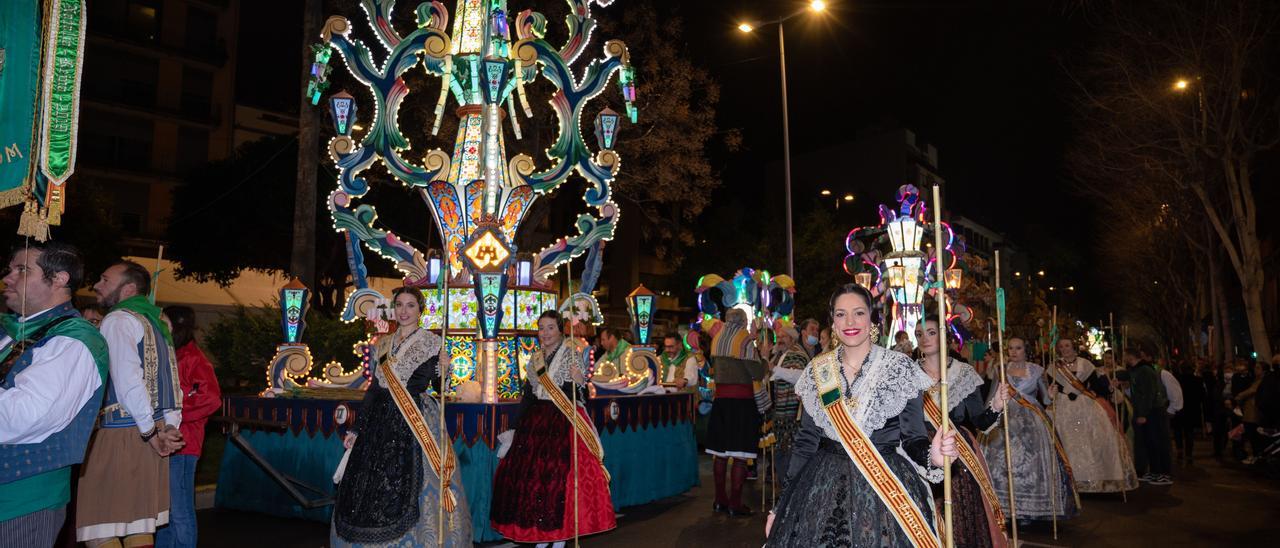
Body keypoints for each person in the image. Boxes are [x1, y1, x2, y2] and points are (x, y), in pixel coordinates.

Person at [765, 284, 957, 547]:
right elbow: (806, 443)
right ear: (832, 321)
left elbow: (913, 439)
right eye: (841, 314)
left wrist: (932, 458)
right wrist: (781, 506)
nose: (850, 322)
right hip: (822, 488)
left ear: (871, 317)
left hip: (886, 492)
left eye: (858, 313)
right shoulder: (818, 371)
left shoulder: (899, 368)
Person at [333, 287, 470, 546]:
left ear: (420, 311)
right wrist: (356, 428)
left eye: (410, 306)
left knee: (413, 484)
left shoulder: (432, 343)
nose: (404, 311)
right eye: (400, 305)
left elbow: (441, 389)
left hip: (414, 418)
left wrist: (444, 368)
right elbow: (375, 388)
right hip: (379, 419)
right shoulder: (383, 344)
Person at [0, 243, 110, 546]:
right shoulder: (12, 330)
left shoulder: (74, 340)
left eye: (22, 270)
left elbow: (24, 416)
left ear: (59, 279)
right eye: (9, 269)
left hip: (19, 500)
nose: (7, 278)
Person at [77, 261, 185, 547]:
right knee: (138, 524)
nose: (97, 285)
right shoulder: (158, 322)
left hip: (123, 432)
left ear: (128, 288)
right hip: (153, 431)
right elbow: (174, 382)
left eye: (104, 279)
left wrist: (151, 433)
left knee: (99, 527)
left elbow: (127, 381)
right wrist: (169, 429)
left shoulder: (118, 319)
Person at [491, 311, 614, 544]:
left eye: (550, 328)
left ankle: (559, 535)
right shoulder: (535, 358)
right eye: (541, 328)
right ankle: (540, 532)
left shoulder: (571, 356)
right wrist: (516, 426)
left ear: (560, 330)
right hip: (535, 421)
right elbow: (528, 395)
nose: (545, 333)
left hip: (561, 420)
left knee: (556, 478)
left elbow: (578, 396)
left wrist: (579, 381)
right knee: (530, 481)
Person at [915, 316, 1010, 548]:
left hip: (956, 451)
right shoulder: (907, 373)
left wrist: (996, 405)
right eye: (919, 334)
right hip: (917, 450)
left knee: (959, 511)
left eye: (931, 332)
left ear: (944, 336)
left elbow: (980, 421)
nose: (924, 338)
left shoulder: (962, 373)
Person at [980, 337, 1078, 525]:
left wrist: (1050, 395)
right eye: (1010, 349)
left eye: (1018, 348)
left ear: (1026, 349)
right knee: (1002, 462)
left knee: (1031, 462)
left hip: (1032, 422)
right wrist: (986, 422)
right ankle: (1003, 508)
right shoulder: (1001, 370)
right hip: (1004, 420)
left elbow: (1047, 402)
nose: (1014, 352)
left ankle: (1032, 508)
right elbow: (992, 397)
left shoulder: (1037, 371)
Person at [155, 306, 221, 548]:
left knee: (180, 509)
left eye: (164, 321)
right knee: (167, 510)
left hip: (184, 444)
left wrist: (176, 413)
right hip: (172, 442)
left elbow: (211, 399)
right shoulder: (175, 354)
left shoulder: (193, 358)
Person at [1048, 339, 1138, 493]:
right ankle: (1068, 481)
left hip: (1085, 406)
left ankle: (1089, 480)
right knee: (1067, 442)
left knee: (1089, 442)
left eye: (1067, 345)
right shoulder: (1053, 367)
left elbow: (1096, 387)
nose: (1064, 349)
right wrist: (1052, 393)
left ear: (1074, 347)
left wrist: (1110, 387)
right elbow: (1052, 387)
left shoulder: (1086, 365)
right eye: (1061, 346)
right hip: (1063, 406)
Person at [703, 308, 766, 517]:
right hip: (741, 403)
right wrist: (763, 358)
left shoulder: (717, 338)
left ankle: (719, 499)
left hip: (721, 401)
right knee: (739, 454)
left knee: (720, 454)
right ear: (743, 322)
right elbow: (756, 372)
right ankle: (735, 503)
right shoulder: (744, 340)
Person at [765, 322, 810, 487]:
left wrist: (775, 370)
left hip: (791, 415)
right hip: (780, 415)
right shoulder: (780, 355)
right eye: (779, 336)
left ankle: (789, 493)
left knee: (789, 456)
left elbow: (800, 375)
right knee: (782, 455)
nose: (779, 339)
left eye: (783, 336)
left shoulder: (797, 353)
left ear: (792, 338)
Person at [1125, 345, 1172, 485]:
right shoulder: (1136, 370)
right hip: (1147, 411)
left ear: (1130, 356)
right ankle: (1154, 471)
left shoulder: (1145, 370)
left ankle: (1163, 473)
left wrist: (1143, 414)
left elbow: (1148, 394)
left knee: (1156, 442)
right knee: (1149, 443)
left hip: (1153, 412)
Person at [1235, 360, 1270, 464]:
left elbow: (1252, 390)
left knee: (1253, 435)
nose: (1255, 369)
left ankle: (1255, 456)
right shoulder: (1256, 379)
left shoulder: (1262, 380)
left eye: (1258, 368)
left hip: (1254, 411)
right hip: (1250, 411)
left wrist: (1239, 396)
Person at [1172, 360, 1204, 465]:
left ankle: (1180, 450)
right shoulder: (1198, 380)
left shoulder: (1177, 380)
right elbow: (1202, 395)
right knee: (1189, 432)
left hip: (1179, 408)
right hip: (1192, 409)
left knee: (1178, 431)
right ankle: (1189, 453)